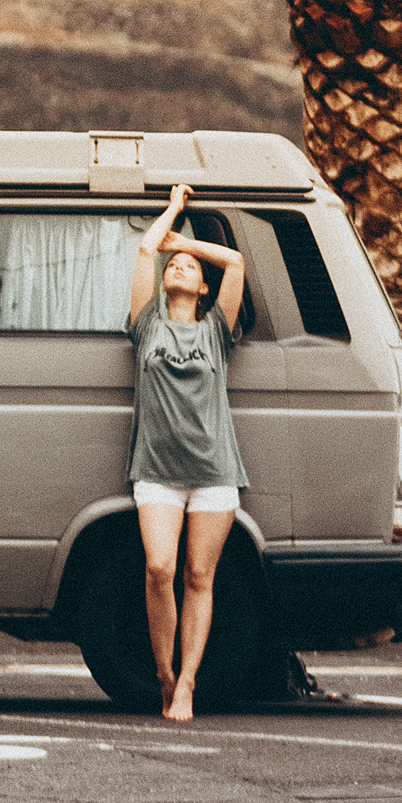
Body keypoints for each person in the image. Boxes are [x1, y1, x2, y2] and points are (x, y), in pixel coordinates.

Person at [127, 178, 248, 723]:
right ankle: (163, 672)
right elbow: (145, 250)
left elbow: (236, 262)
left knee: (200, 576)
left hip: (213, 472)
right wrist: (172, 210)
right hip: (156, 471)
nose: (177, 267)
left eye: (190, 270)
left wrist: (188, 244)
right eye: (173, 266)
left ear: (202, 290)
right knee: (159, 569)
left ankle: (188, 684)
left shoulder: (216, 331)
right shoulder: (147, 327)